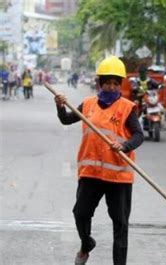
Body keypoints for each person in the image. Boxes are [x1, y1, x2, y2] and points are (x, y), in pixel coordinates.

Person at [53, 56, 144, 265]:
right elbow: (66, 119)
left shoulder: (127, 108)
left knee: (120, 224)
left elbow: (138, 135)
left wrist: (125, 146)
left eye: (115, 83)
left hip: (118, 175)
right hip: (91, 174)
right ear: (99, 83)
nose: (111, 87)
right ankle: (86, 243)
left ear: (119, 84)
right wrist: (59, 106)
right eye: (107, 82)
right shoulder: (88, 104)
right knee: (80, 214)